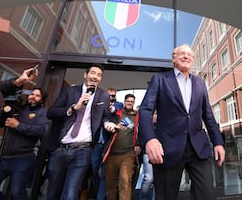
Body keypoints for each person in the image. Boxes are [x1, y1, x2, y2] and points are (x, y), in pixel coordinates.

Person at [138, 44, 226, 200]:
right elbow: (145, 110)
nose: (187, 57)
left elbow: (208, 115)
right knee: (166, 196)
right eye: (182, 54)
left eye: (190, 55)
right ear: (174, 58)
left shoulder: (199, 83)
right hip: (167, 148)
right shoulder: (160, 79)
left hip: (197, 148)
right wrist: (150, 140)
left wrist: (218, 142)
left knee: (207, 194)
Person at [45, 64, 112, 200]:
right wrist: (74, 107)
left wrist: (108, 123)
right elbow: (51, 112)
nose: (95, 77)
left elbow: (106, 116)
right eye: (93, 73)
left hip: (83, 150)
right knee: (53, 192)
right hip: (61, 149)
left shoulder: (103, 96)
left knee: (71, 193)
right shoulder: (70, 91)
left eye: (99, 75)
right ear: (85, 75)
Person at [0, 87, 49, 200]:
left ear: (41, 99)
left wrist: (18, 126)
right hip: (3, 158)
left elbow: (40, 130)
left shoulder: (43, 113)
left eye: (37, 95)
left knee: (17, 192)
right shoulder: (17, 109)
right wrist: (5, 109)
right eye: (31, 94)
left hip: (23, 159)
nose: (33, 97)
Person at [103, 93, 140, 200]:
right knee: (110, 183)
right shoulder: (115, 114)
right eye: (128, 101)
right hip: (112, 153)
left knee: (125, 181)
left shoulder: (137, 117)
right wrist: (113, 128)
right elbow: (105, 129)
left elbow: (142, 132)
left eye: (132, 102)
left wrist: (139, 145)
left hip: (128, 154)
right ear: (124, 102)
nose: (129, 103)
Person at [89, 86, 124, 200]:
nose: (111, 98)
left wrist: (111, 108)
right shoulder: (99, 104)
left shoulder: (117, 105)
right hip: (95, 142)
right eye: (109, 95)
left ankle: (101, 196)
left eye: (113, 96)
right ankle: (93, 192)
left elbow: (118, 107)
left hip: (107, 144)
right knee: (94, 169)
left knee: (103, 172)